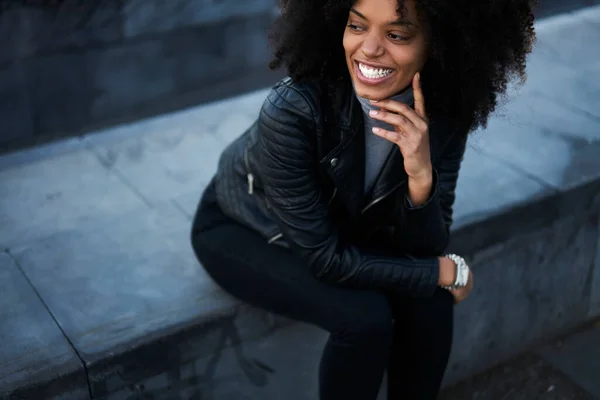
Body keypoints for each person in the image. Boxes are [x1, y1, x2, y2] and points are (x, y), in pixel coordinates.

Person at [190, 0, 536, 398]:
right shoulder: (292, 110)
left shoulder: (444, 113)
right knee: (365, 318)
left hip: (342, 227)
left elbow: (428, 243)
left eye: (395, 34)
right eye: (357, 26)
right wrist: (440, 272)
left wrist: (420, 175)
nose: (369, 49)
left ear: (439, 42)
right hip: (244, 228)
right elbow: (328, 258)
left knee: (432, 305)